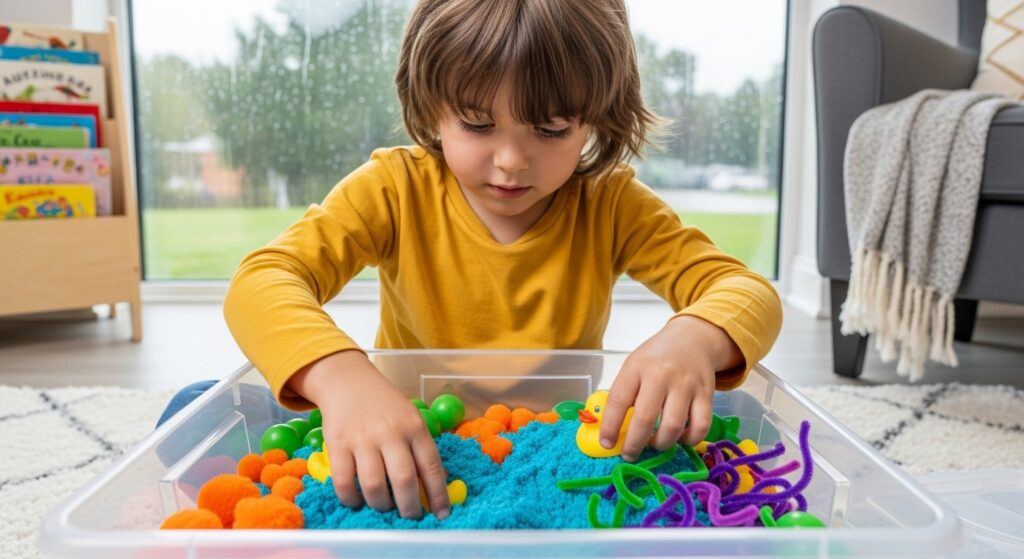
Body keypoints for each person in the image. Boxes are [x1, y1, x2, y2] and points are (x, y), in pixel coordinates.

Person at [213, 0, 782, 522]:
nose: (510, 161)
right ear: (431, 106)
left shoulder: (610, 203)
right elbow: (263, 279)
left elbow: (743, 289)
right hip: (409, 449)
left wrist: (692, 338)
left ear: (595, 118)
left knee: (726, 403)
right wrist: (340, 380)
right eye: (477, 125)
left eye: (552, 129)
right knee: (201, 408)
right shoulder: (394, 189)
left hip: (555, 460)